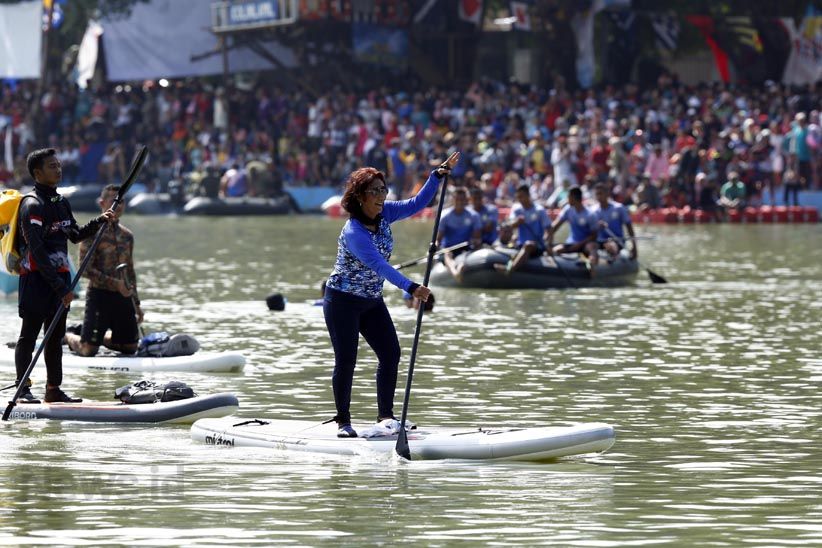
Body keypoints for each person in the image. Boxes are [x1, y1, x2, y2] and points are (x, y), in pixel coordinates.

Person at [323, 151, 460, 438]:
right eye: (374, 191)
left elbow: (417, 203)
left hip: (372, 301)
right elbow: (380, 265)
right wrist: (411, 287)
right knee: (346, 360)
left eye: (383, 189)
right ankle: (343, 422)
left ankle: (386, 417)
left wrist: (435, 177)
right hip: (342, 302)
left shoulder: (386, 212)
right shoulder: (354, 232)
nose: (381, 196)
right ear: (360, 196)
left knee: (390, 353)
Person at [14, 148, 115, 404]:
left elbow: (76, 234)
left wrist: (99, 221)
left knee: (55, 338)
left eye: (58, 165)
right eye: (51, 166)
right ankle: (23, 389)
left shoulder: (61, 203)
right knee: (29, 335)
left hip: (60, 281)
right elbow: (36, 251)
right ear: (37, 173)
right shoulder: (32, 205)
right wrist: (61, 287)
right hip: (37, 280)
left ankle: (53, 389)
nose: (58, 169)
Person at [65, 184, 142, 357]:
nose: (118, 205)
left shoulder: (127, 236)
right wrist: (116, 284)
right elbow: (85, 270)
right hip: (99, 295)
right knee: (88, 350)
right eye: (114, 201)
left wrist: (136, 304)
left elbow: (130, 272)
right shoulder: (93, 232)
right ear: (102, 203)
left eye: (121, 201)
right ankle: (68, 335)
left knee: (130, 347)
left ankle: (99, 336)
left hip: (122, 297)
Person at [494, 184, 551, 275]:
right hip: (520, 245)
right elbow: (509, 225)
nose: (520, 200)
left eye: (522, 197)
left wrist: (547, 244)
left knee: (528, 244)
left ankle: (509, 270)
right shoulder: (517, 210)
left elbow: (549, 229)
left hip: (536, 246)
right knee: (512, 240)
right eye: (518, 197)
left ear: (528, 196)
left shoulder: (539, 210)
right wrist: (517, 222)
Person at [546, 186, 598, 272]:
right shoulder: (568, 210)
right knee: (556, 250)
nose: (567, 199)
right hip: (572, 243)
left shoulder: (590, 214)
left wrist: (579, 245)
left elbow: (594, 236)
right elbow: (555, 226)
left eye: (568, 197)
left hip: (585, 244)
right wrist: (547, 239)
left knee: (591, 247)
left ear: (574, 198)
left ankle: (593, 268)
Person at [436, 187, 481, 283]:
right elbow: (438, 239)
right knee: (447, 254)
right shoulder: (445, 216)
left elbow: (477, 238)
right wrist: (434, 246)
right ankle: (455, 273)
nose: (460, 202)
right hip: (448, 248)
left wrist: (475, 242)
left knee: (464, 256)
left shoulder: (474, 216)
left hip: (465, 248)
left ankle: (460, 268)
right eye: (457, 199)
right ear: (453, 200)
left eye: (462, 200)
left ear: (466, 200)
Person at [590, 183, 637, 260]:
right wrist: (597, 225)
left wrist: (634, 248)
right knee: (590, 245)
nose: (599, 197)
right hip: (599, 241)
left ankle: (614, 258)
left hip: (617, 240)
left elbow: (629, 228)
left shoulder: (619, 208)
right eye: (597, 194)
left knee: (610, 245)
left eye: (601, 194)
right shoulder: (592, 211)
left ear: (607, 194)